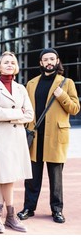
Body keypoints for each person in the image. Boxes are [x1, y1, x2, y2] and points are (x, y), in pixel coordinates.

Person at [17, 48, 80, 224]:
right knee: (32, 178)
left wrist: (62, 96)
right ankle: (29, 208)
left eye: (52, 58)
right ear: (41, 63)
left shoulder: (66, 83)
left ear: (57, 60)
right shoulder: (31, 83)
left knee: (56, 178)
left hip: (56, 136)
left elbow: (75, 108)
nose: (49, 62)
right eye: (46, 59)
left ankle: (57, 210)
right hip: (35, 136)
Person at [0, 51, 34, 233]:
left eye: (12, 62)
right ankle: (9, 217)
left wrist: (11, 115)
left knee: (8, 178)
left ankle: (2, 217)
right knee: (6, 177)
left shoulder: (21, 88)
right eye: (6, 62)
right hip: (2, 138)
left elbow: (30, 114)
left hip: (18, 138)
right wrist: (18, 114)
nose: (9, 65)